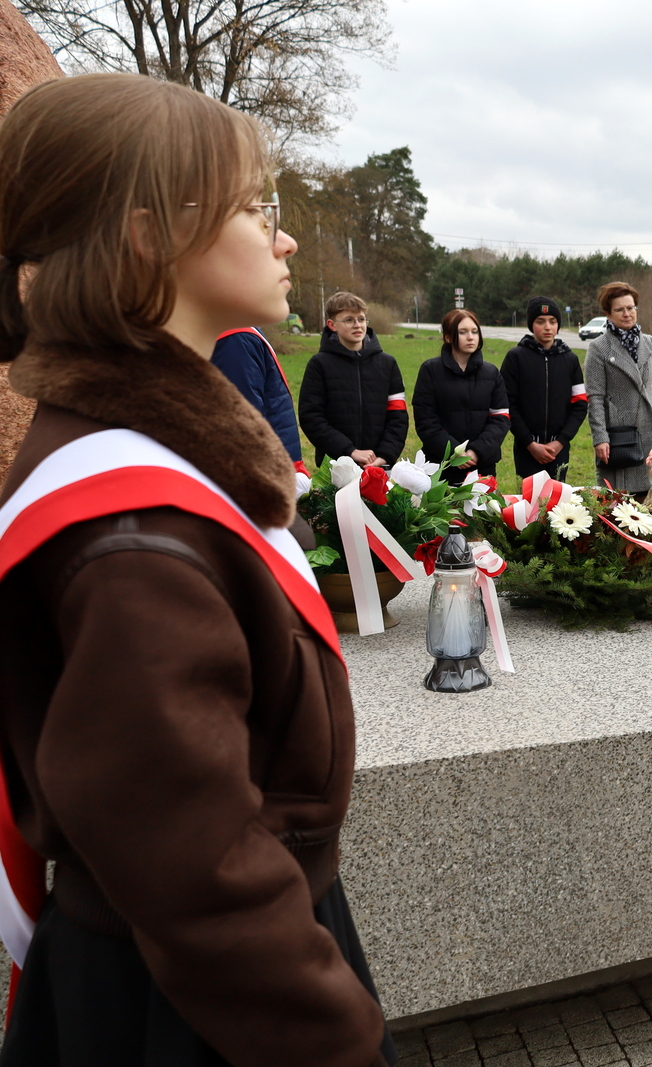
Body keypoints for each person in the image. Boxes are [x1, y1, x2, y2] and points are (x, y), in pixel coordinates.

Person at [0, 72, 394, 1065]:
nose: (286, 236)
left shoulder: (141, 461)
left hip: (194, 977)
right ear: (148, 237)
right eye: (257, 207)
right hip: (203, 1006)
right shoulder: (132, 525)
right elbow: (196, 872)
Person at [298, 291, 409, 469]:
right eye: (349, 320)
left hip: (379, 465)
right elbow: (311, 417)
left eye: (361, 319)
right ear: (332, 324)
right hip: (336, 465)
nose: (357, 325)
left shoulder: (388, 364)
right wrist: (348, 451)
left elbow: (398, 416)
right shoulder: (319, 364)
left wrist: (385, 454)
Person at [585, 281, 652, 497]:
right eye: (619, 309)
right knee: (621, 503)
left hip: (651, 433)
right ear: (608, 313)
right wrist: (600, 437)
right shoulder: (598, 348)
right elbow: (595, 397)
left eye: (631, 308)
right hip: (620, 438)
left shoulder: (649, 343)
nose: (627, 314)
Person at [413, 308, 509, 484]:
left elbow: (500, 418)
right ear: (448, 337)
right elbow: (425, 420)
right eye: (463, 332)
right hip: (441, 467)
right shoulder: (430, 371)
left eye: (474, 331)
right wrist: (455, 453)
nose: (471, 337)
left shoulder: (491, 372)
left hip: (482, 467)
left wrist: (476, 451)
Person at [503, 296, 587, 481]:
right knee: (530, 504)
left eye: (552, 321)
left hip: (559, 450)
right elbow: (508, 404)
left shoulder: (570, 360)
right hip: (527, 450)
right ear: (531, 325)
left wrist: (561, 441)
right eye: (540, 322)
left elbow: (580, 404)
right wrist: (529, 443)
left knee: (556, 503)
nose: (547, 327)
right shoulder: (515, 358)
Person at [212, 325, 304, 468]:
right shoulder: (235, 339)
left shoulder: (243, 331)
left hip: (280, 459)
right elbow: (245, 425)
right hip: (267, 467)